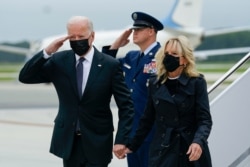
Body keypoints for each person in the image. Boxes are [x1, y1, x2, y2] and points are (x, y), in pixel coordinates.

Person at [18, 16, 134, 167]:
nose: (77, 40)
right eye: (73, 37)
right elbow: (25, 77)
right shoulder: (59, 61)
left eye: (81, 36)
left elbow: (126, 106)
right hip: (69, 142)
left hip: (98, 141)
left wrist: (121, 140)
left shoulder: (109, 65)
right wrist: (47, 52)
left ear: (92, 36)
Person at [120, 35, 213, 167]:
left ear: (185, 59)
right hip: (163, 149)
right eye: (166, 53)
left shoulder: (196, 82)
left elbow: (204, 120)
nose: (168, 57)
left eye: (174, 54)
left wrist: (198, 142)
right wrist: (132, 146)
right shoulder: (155, 82)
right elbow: (147, 119)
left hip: (190, 149)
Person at [102, 11, 164, 167]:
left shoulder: (163, 57)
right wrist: (116, 44)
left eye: (139, 29)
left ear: (151, 31)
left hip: (154, 133)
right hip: (133, 132)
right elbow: (105, 66)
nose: (134, 33)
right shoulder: (131, 56)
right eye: (134, 29)